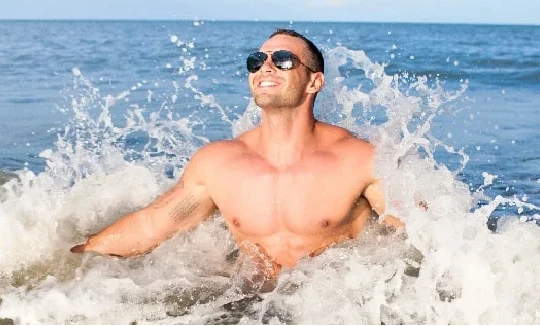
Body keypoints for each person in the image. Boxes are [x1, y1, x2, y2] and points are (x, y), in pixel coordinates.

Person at [71, 28, 403, 280]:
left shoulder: (360, 160)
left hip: (331, 306)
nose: (266, 68)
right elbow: (150, 225)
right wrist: (70, 261)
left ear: (314, 82)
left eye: (283, 60)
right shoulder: (219, 163)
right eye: (257, 61)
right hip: (250, 305)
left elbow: (423, 236)